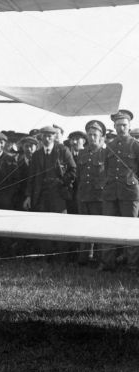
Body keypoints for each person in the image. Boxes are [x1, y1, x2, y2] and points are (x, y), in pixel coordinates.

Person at [23, 125, 76, 258]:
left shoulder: (63, 151)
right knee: (43, 225)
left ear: (54, 137)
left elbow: (73, 170)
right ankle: (45, 256)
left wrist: (62, 182)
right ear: (41, 137)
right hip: (41, 196)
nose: (47, 138)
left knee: (60, 225)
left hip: (59, 195)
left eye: (50, 136)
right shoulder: (36, 154)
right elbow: (31, 177)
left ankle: (61, 256)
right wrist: (28, 196)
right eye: (45, 136)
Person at [101, 109, 139, 271]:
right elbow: (106, 168)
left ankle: (132, 265)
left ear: (129, 126)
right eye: (118, 125)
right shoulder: (109, 146)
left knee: (130, 229)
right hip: (111, 192)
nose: (121, 128)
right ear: (114, 127)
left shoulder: (135, 145)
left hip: (129, 193)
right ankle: (108, 263)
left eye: (124, 125)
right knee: (109, 227)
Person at [76, 120, 107, 265]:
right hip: (83, 196)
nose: (92, 137)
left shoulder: (105, 153)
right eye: (89, 135)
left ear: (101, 136)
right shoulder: (82, 153)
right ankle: (84, 258)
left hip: (99, 197)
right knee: (83, 227)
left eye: (95, 135)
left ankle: (100, 259)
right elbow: (79, 175)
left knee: (99, 228)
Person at [0, 132, 18, 210]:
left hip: (5, 199)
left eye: (1, 143)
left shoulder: (10, 159)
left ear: (4, 144)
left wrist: (9, 196)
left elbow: (15, 180)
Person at [67, 130, 88, 214]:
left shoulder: (88, 155)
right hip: (71, 195)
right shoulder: (68, 156)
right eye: (72, 139)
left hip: (85, 193)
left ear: (83, 141)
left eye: (77, 139)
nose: (74, 142)